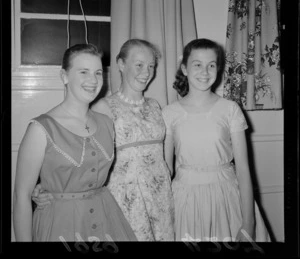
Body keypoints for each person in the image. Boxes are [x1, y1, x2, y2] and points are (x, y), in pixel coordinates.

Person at [31, 39, 175, 241]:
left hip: (161, 198)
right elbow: (75, 152)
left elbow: (165, 156)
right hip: (125, 201)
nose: (146, 72)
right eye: (139, 65)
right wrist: (42, 186)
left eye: (151, 66)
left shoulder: (155, 106)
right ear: (121, 64)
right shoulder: (102, 108)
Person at [13, 43, 137, 242]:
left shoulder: (106, 122)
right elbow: (21, 198)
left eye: (98, 73)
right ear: (64, 76)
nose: (93, 80)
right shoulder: (40, 129)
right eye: (83, 72)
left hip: (106, 219)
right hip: (60, 225)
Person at [162, 38, 270, 242]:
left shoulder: (230, 109)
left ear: (218, 69)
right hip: (185, 200)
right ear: (184, 68)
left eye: (211, 65)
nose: (205, 72)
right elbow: (166, 172)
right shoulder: (169, 113)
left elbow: (244, 169)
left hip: (227, 197)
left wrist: (248, 223)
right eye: (197, 65)